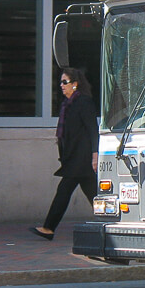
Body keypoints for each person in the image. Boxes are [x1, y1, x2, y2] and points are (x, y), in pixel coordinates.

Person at [30, 68, 98, 241]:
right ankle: (114, 220)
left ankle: (49, 227)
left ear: (75, 84)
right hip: (73, 158)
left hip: (81, 159)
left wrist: (95, 155)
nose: (61, 85)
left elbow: (92, 129)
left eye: (65, 82)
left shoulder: (84, 102)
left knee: (64, 191)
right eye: (60, 82)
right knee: (94, 194)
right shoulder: (67, 105)